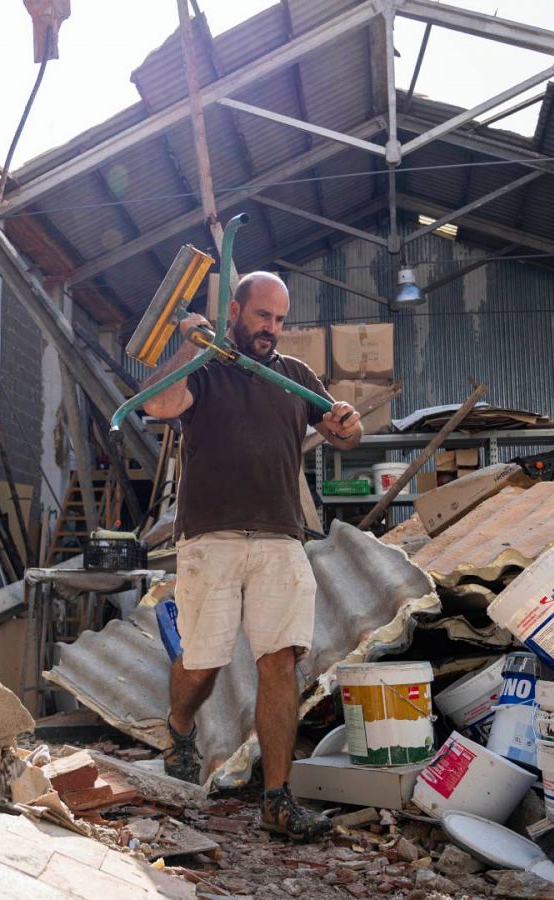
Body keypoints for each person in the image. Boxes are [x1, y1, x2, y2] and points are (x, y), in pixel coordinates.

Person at [140, 271, 363, 841]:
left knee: (280, 661)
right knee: (204, 662)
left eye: (280, 320)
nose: (271, 329)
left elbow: (342, 434)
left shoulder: (293, 376)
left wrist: (348, 423)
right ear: (236, 311)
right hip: (209, 538)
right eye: (263, 316)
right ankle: (181, 725)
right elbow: (161, 403)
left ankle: (276, 796)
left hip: (280, 538)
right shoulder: (206, 372)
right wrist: (189, 344)